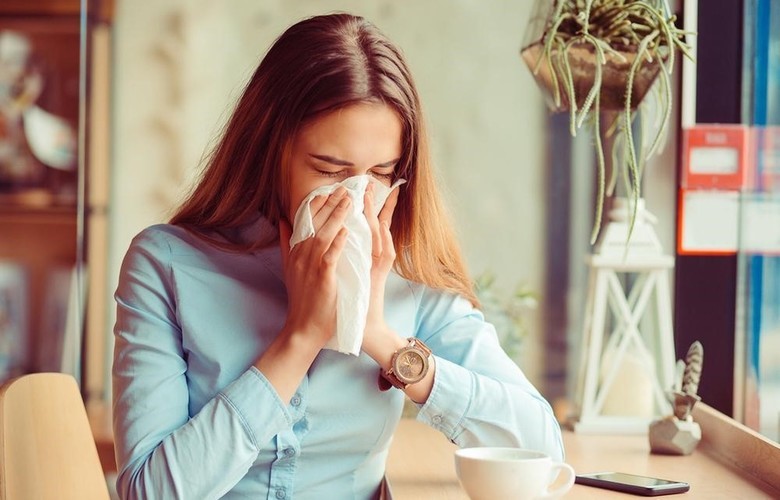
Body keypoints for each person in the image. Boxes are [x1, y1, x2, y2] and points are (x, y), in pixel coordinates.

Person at [112, 12, 564, 500]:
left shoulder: (409, 275)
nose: (356, 198)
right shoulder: (167, 265)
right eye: (329, 171)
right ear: (269, 153)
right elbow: (148, 492)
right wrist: (300, 337)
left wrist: (378, 336)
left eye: (381, 173)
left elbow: (541, 449)